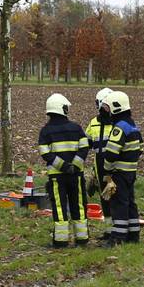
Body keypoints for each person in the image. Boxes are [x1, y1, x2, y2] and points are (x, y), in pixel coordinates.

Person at [38, 93, 89, 247]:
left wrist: (63, 166)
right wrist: (73, 165)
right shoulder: (76, 128)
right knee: (79, 205)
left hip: (56, 177)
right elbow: (84, 146)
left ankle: (60, 241)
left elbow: (45, 152)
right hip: (76, 175)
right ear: (63, 109)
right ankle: (82, 239)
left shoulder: (45, 131)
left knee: (59, 207)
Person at [100, 90, 144, 244]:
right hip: (131, 172)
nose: (106, 111)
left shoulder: (119, 127)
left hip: (119, 173)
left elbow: (111, 153)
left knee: (118, 204)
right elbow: (141, 148)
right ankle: (133, 235)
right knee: (130, 203)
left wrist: (106, 171)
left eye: (108, 108)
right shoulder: (133, 126)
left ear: (115, 108)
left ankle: (118, 238)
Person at [84, 87, 114, 234]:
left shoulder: (118, 123)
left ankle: (118, 231)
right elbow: (86, 143)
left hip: (114, 168)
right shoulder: (94, 123)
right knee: (105, 199)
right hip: (100, 167)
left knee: (116, 199)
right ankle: (109, 232)